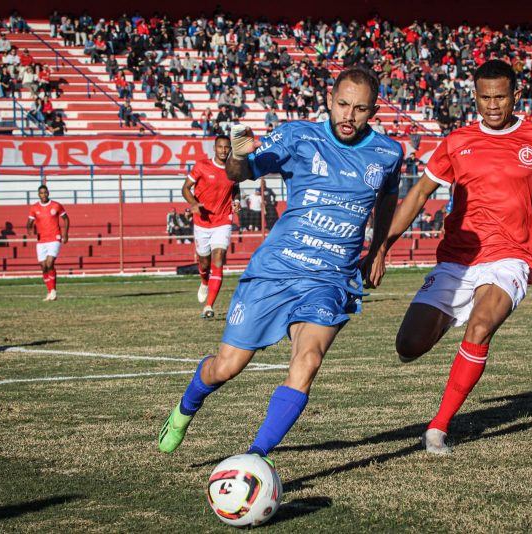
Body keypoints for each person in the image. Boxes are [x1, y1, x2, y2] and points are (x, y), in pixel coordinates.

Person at [361, 60, 532, 455]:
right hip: (458, 259)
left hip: (512, 256)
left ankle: (437, 428)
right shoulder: (456, 142)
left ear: (515, 95)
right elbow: (417, 195)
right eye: (485, 97)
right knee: (408, 345)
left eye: (500, 96)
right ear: (475, 96)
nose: (492, 105)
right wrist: (381, 246)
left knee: (482, 325)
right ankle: (455, 316)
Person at [158, 67, 404, 464]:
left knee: (308, 362)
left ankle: (257, 456)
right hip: (275, 271)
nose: (348, 115)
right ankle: (185, 409)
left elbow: (388, 197)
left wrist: (379, 248)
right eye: (342, 104)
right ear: (329, 100)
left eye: (360, 109)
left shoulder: (388, 152)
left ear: (372, 111)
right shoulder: (298, 136)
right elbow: (243, 171)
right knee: (226, 367)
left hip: (331, 279)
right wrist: (238, 154)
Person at [181, 135, 240, 318]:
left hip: (223, 220)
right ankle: (204, 281)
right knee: (204, 262)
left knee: (219, 258)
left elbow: (235, 188)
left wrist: (236, 201)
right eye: (220, 147)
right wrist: (194, 204)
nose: (223, 150)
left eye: (226, 147)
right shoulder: (201, 166)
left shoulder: (234, 168)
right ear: (214, 149)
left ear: (230, 149)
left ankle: (209, 306)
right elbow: (185, 188)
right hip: (202, 222)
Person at [26, 185, 69, 301]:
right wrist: (29, 229)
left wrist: (65, 234)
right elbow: (29, 222)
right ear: (38, 194)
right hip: (41, 240)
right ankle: (50, 292)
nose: (43, 195)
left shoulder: (56, 205)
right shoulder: (34, 208)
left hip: (55, 238)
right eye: (41, 193)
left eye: (45, 193)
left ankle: (53, 291)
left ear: (48, 193)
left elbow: (66, 218)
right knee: (43, 266)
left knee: (50, 263)